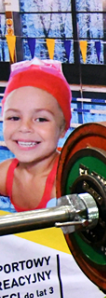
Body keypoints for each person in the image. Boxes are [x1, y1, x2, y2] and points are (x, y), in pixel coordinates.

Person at [0, 59, 71, 212]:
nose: (25, 128)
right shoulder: (7, 173)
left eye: (41, 119)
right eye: (14, 118)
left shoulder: (65, 180)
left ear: (63, 128)